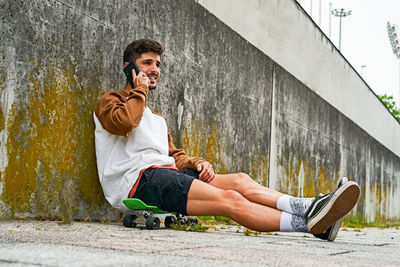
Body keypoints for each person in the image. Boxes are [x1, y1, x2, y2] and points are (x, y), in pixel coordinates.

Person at [94, 38, 360, 241]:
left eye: (158, 65)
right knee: (230, 199)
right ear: (129, 68)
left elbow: (174, 157)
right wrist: (139, 89)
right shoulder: (111, 101)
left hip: (164, 175)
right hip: (139, 182)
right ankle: (311, 222)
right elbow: (124, 123)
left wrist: (197, 163)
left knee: (240, 180)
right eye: (147, 64)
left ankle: (312, 208)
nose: (154, 70)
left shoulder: (155, 118)